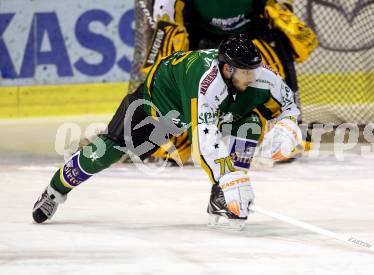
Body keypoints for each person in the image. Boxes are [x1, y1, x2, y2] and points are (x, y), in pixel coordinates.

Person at [32, 35, 303, 229]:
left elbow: (289, 104)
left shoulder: (258, 76)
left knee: (251, 123)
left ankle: (221, 195)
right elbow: (205, 142)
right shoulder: (207, 83)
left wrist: (288, 125)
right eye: (247, 71)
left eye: (255, 69)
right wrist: (228, 177)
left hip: (203, 108)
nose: (254, 76)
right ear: (228, 68)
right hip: (160, 108)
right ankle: (54, 191)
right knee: (107, 151)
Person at [140, 0, 316, 164]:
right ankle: (177, 131)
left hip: (252, 36)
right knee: (173, 145)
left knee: (275, 58)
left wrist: (281, 8)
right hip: (200, 39)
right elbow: (166, 9)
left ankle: (283, 128)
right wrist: (166, 24)